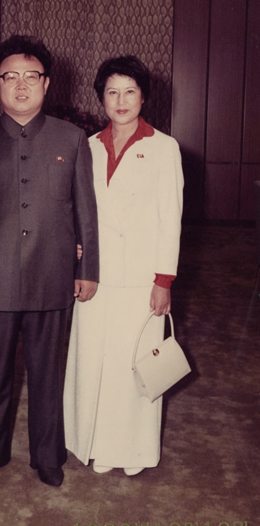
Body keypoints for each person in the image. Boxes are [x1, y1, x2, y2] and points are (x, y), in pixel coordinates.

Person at [0, 35, 99, 487]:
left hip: (53, 276)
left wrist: (87, 268)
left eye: (30, 77)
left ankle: (47, 456)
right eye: (9, 77)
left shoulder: (72, 138)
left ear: (46, 83)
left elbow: (85, 210)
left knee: (47, 374)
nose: (20, 85)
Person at [63, 55, 184, 476]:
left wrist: (163, 280)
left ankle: (134, 452)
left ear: (143, 96)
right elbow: (77, 211)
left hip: (141, 278)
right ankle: (94, 443)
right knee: (93, 361)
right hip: (96, 275)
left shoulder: (164, 147)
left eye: (130, 91)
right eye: (112, 92)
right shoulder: (88, 146)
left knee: (133, 364)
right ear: (101, 98)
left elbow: (171, 219)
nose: (121, 100)